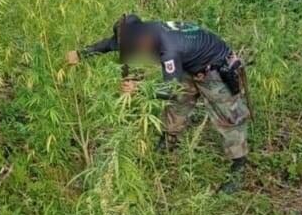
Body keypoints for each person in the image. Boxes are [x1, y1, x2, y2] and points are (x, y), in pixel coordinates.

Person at [67, 15, 250, 193]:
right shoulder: (141, 31)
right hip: (189, 63)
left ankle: (238, 168)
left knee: (229, 117)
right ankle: (167, 143)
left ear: (142, 40)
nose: (136, 52)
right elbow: (109, 44)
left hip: (215, 68)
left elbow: (171, 90)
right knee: (179, 104)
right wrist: (81, 54)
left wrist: (140, 88)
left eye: (134, 48)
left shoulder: (168, 48)